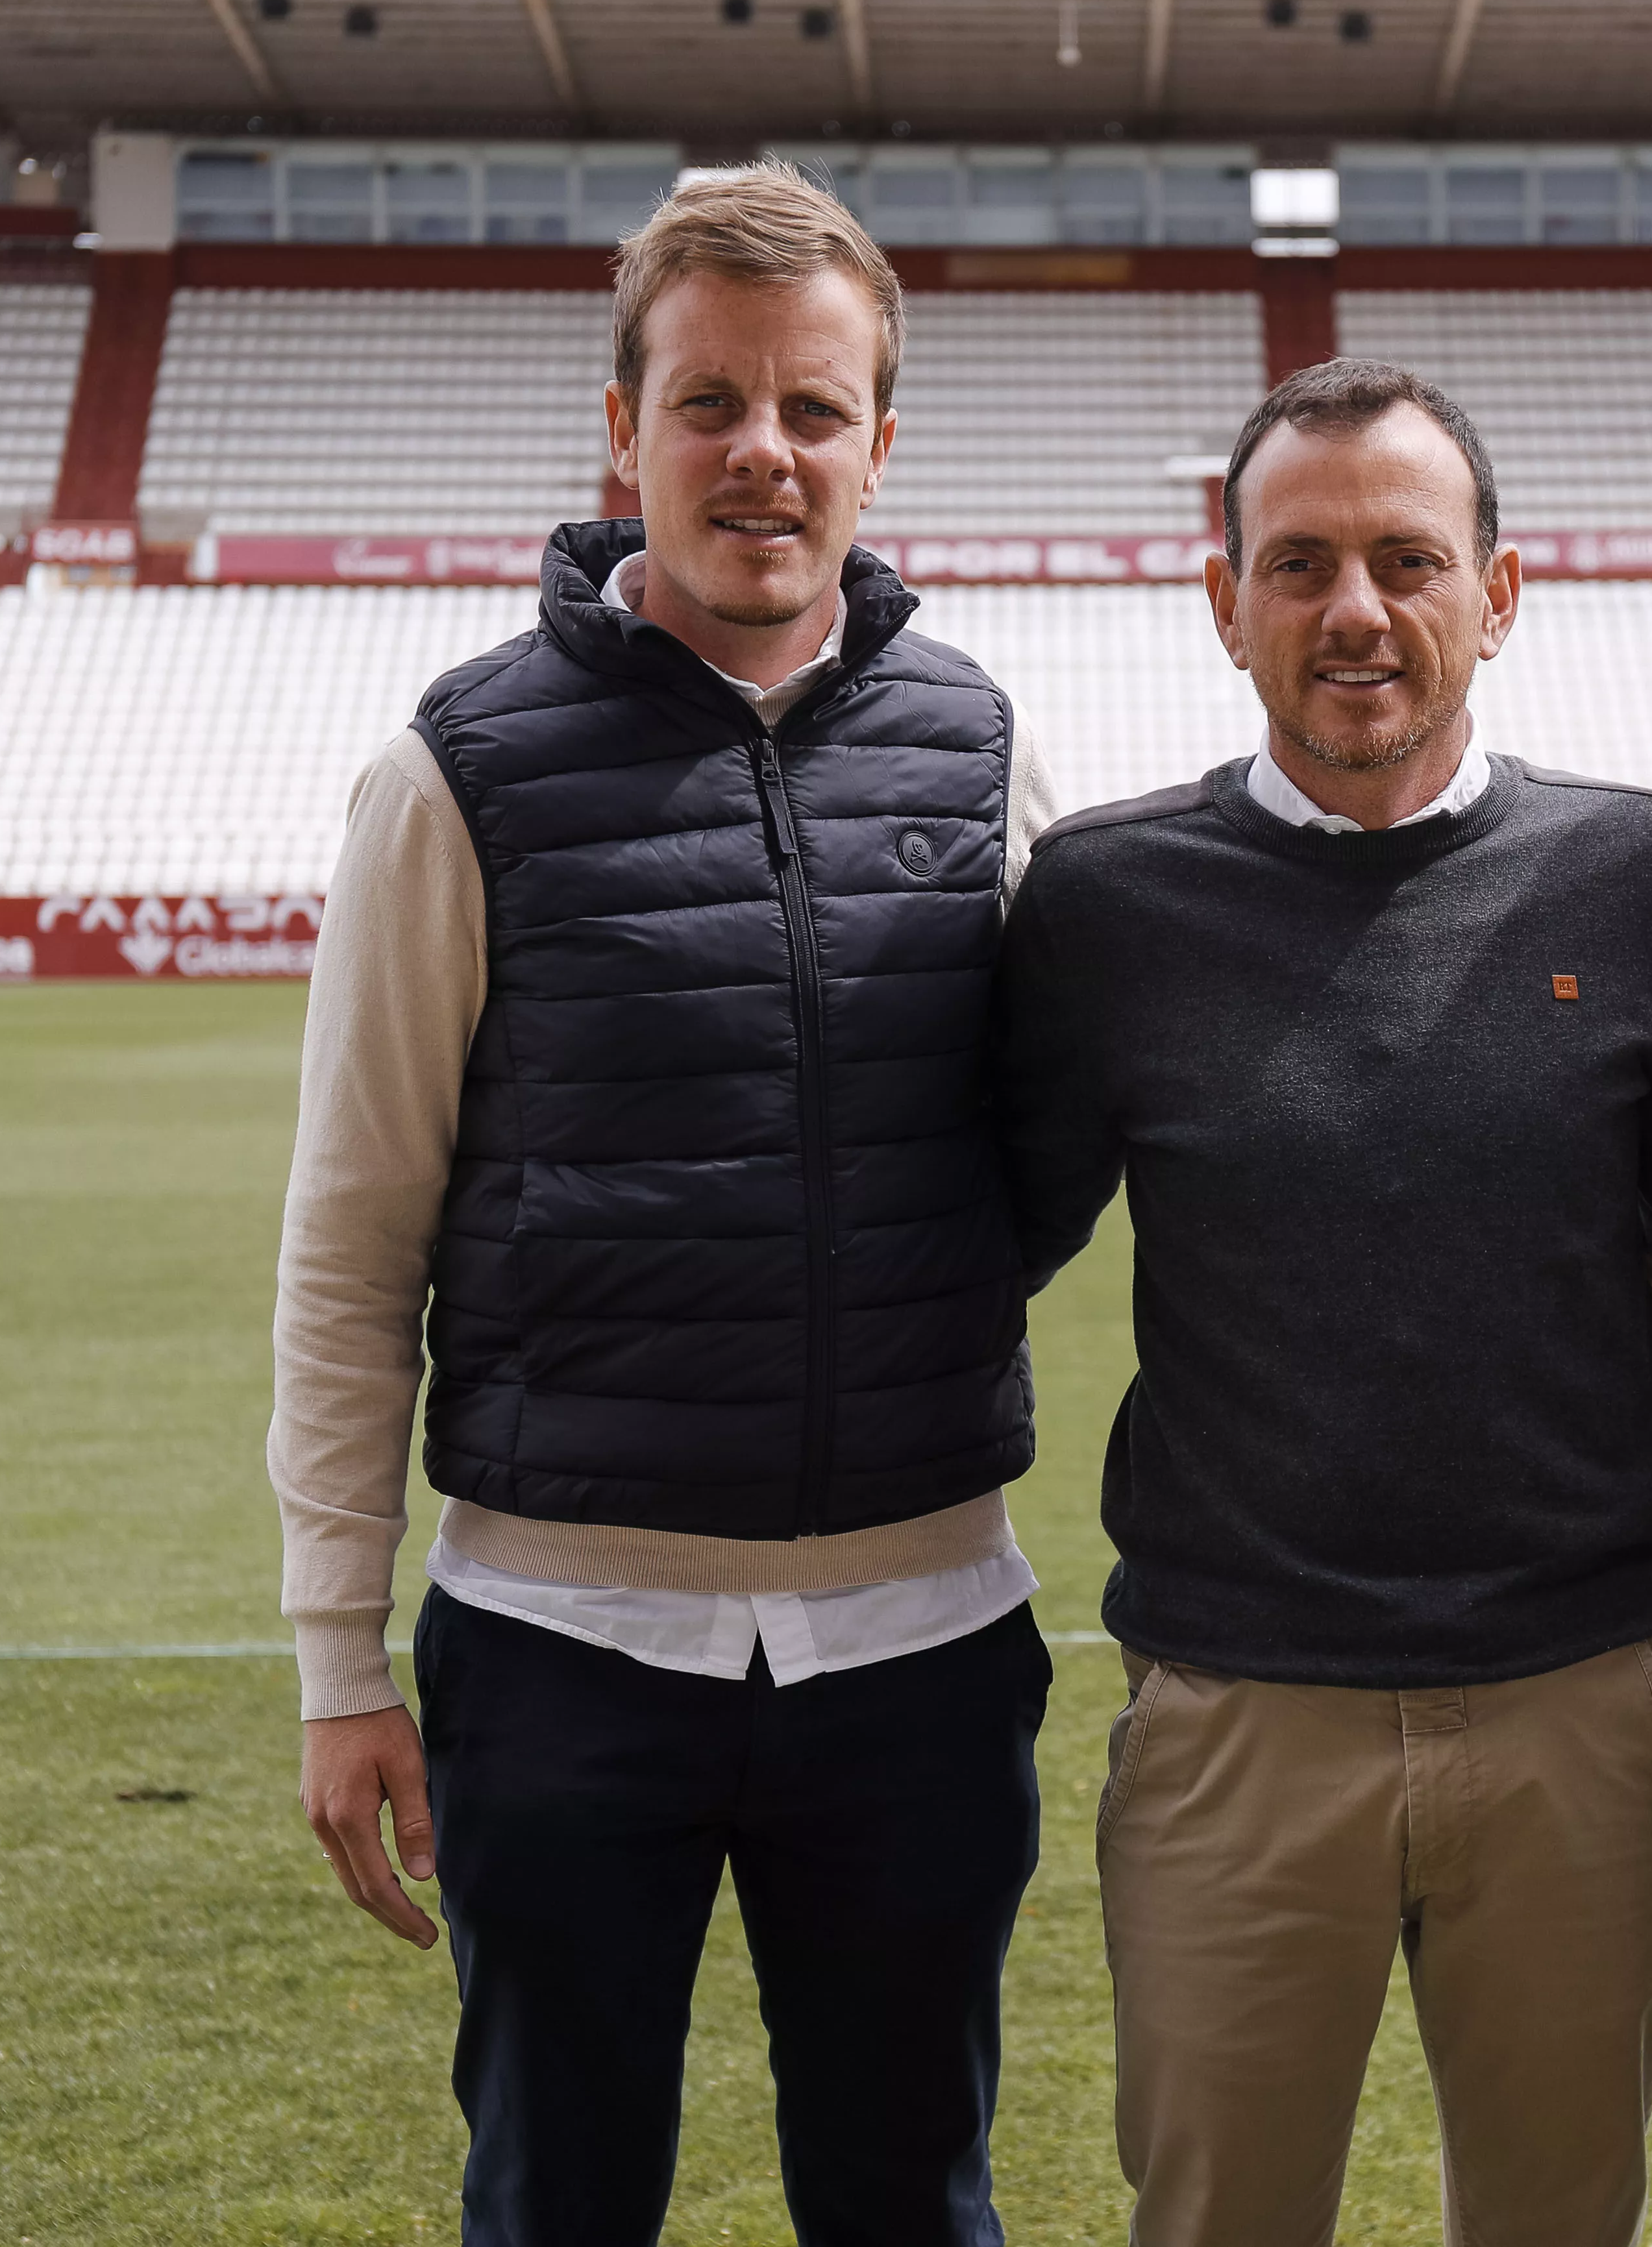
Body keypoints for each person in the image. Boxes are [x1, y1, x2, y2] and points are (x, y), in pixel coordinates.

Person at [270, 164, 1061, 2247]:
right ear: (622, 430)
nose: (762, 456)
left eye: (814, 410)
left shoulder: (987, 757)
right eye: (709, 402)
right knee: (554, 2204)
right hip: (556, 1650)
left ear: (881, 445)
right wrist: (338, 1656)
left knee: (913, 2204)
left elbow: (1047, 1164)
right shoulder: (454, 772)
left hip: (923, 1646)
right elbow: (353, 1240)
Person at [991, 358, 1652, 2247]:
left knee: (1556, 2224)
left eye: (1409, 560)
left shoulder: (1635, 870)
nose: (1357, 610)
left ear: (1495, 597)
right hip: (1233, 1726)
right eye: (1301, 563)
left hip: (1572, 1715)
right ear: (1226, 602)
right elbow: (968, 1247)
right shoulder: (1106, 906)